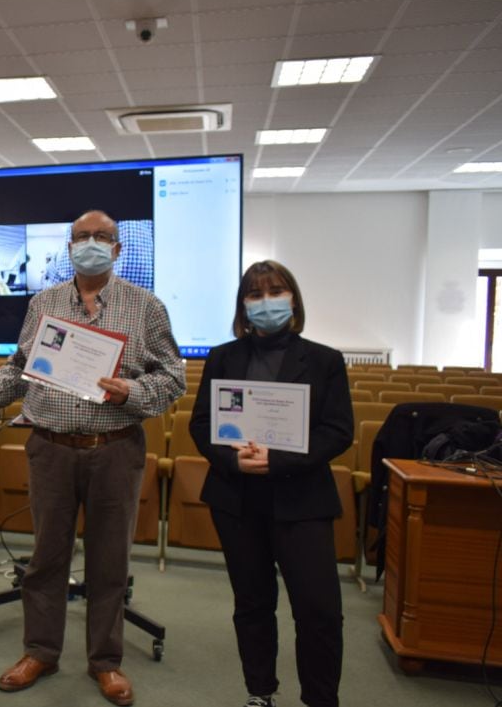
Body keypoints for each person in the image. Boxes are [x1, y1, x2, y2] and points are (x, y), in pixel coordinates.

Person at [0, 210, 184, 706]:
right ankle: (40, 651)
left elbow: (173, 378)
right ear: (68, 247)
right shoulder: (44, 302)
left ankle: (106, 663)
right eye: (81, 237)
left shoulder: (145, 306)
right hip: (51, 449)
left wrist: (131, 390)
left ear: (118, 248)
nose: (90, 244)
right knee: (46, 558)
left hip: (115, 450)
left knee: (110, 561)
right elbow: (19, 372)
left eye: (101, 237)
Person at [188, 260, 353, 707]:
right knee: (254, 605)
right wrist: (233, 458)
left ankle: (320, 700)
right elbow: (202, 424)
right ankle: (260, 691)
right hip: (237, 499)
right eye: (255, 295)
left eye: (275, 292)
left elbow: (338, 431)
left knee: (319, 613)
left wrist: (277, 460)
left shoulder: (324, 360)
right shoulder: (223, 357)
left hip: (302, 499)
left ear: (293, 298)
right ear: (243, 305)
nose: (266, 302)